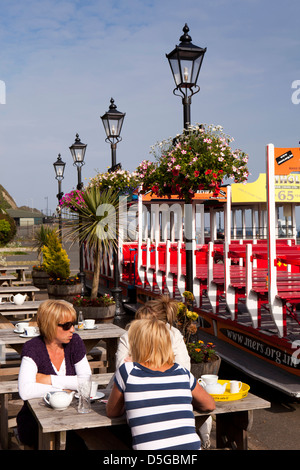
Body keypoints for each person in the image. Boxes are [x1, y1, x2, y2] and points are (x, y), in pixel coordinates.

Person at [106, 318, 215, 450]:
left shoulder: (128, 371)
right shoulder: (182, 372)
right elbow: (209, 405)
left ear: (137, 344)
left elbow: (112, 411)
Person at [17, 299, 91, 448]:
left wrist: (48, 379)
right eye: (66, 325)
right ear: (50, 325)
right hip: (35, 420)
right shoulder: (33, 348)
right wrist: (65, 389)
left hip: (71, 417)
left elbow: (86, 381)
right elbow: (25, 391)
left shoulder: (74, 342)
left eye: (73, 324)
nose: (72, 330)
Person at [115, 295, 191, 370]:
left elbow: (184, 369)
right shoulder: (129, 335)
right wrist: (166, 365)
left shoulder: (174, 335)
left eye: (143, 324)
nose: (138, 327)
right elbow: (121, 368)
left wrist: (137, 363)